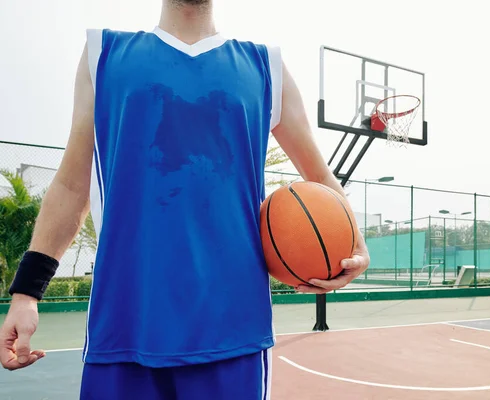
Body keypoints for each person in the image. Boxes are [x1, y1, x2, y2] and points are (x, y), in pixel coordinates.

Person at [0, 0, 370, 398]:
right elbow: (73, 187)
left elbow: (318, 175)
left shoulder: (267, 67)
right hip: (125, 324)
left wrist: (356, 243)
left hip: (232, 329)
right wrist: (27, 292)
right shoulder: (103, 54)